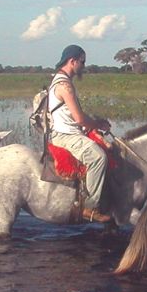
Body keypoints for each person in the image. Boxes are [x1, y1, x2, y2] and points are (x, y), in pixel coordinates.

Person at [48, 45, 112, 223]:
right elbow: (79, 119)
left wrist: (93, 124)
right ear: (72, 61)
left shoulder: (59, 80)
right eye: (82, 62)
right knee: (99, 157)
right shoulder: (64, 86)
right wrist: (97, 124)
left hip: (68, 132)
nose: (83, 66)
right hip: (66, 136)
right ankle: (90, 207)